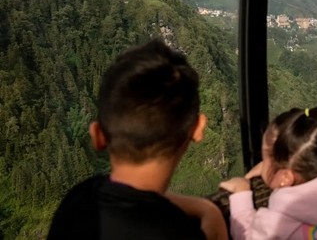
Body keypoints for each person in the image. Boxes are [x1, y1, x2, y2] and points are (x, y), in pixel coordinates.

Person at [47, 39, 225, 240]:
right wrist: (212, 216)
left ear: (98, 136)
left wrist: (204, 207)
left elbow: (131, 198)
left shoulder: (78, 199)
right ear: (198, 129)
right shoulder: (179, 231)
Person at [219, 106, 317, 240]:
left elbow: (248, 235)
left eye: (265, 158)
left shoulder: (285, 219)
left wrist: (241, 193)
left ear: (285, 178)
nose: (262, 164)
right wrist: (273, 168)